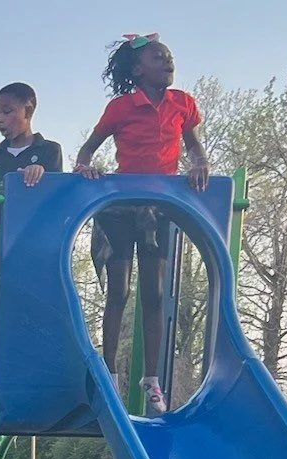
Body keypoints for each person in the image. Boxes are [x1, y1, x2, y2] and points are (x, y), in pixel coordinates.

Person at [74, 35, 209, 414]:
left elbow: (194, 145)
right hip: (120, 206)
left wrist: (199, 162)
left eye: (169, 57)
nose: (168, 62)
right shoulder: (121, 107)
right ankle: (110, 372)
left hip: (159, 206)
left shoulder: (182, 103)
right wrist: (85, 167)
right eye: (158, 57)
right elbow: (89, 149)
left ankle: (152, 378)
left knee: (155, 293)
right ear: (137, 69)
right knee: (118, 291)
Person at [0, 82, 63, 188]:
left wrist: (38, 174)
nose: (0, 119)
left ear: (28, 111)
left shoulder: (50, 150)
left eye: (6, 112)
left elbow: (55, 191)